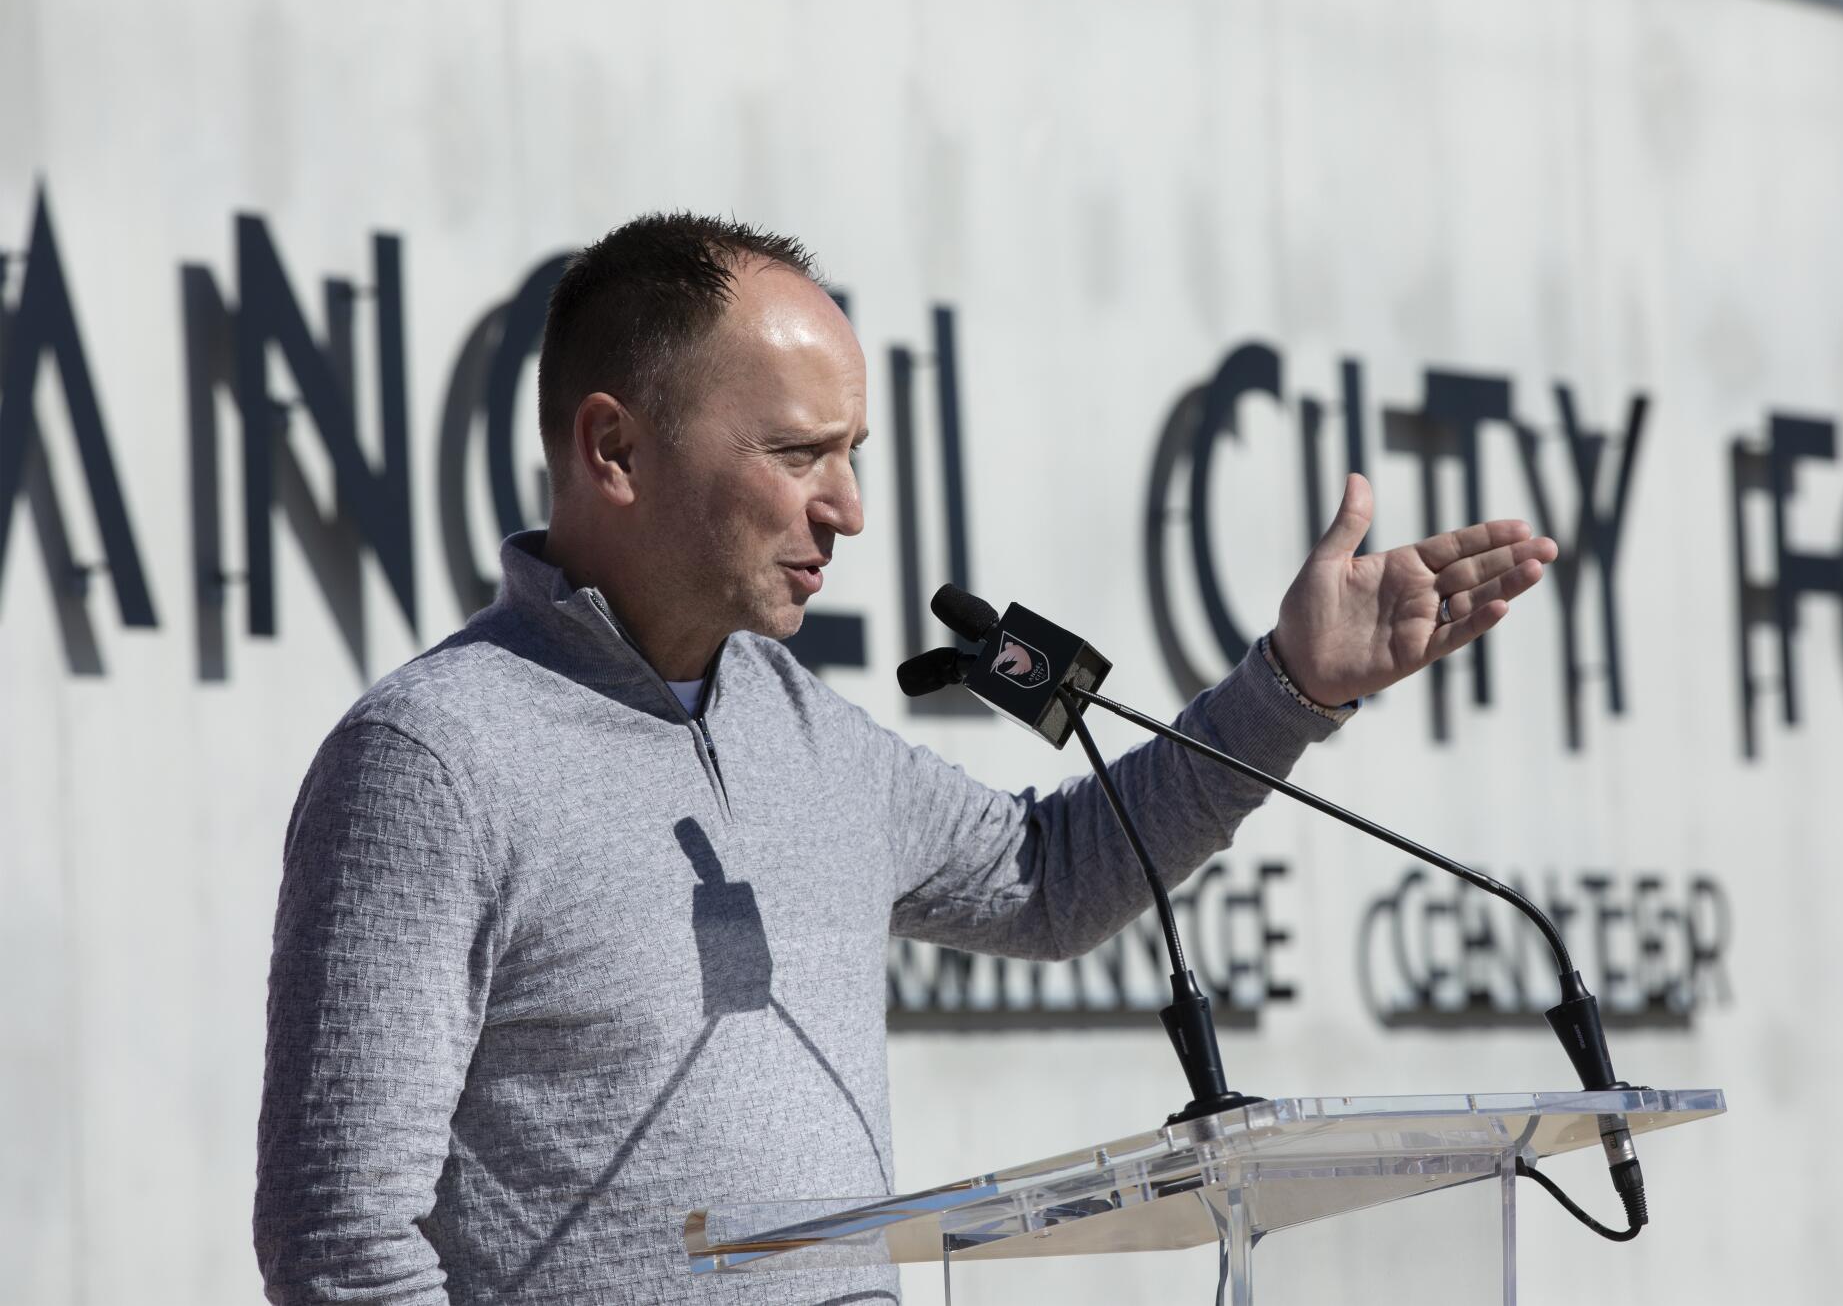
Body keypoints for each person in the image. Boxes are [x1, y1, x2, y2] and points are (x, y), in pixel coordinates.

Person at [253, 213, 1556, 1305]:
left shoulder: (797, 721)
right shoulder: (432, 758)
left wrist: (1293, 685)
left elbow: (1056, 877)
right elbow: (343, 1241)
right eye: (797, 452)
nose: (849, 509)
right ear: (614, 449)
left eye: (853, 454)